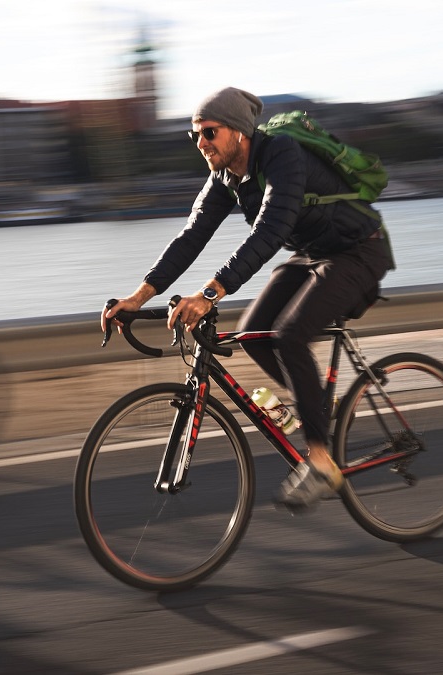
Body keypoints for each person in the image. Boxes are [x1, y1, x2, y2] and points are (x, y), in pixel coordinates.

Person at [102, 87, 394, 510]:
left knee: (290, 336)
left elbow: (271, 230)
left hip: (358, 249)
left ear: (239, 132)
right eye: (195, 135)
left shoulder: (282, 154)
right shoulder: (226, 176)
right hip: (313, 253)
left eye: (209, 133)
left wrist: (210, 292)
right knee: (255, 332)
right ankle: (314, 403)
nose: (201, 143)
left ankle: (321, 463)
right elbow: (192, 235)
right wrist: (139, 294)